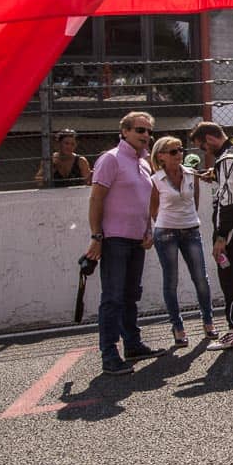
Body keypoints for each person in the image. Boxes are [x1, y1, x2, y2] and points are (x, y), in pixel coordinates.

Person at [84, 111, 166, 376]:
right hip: (115, 239)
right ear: (125, 132)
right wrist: (97, 236)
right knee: (113, 298)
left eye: (148, 131)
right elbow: (96, 199)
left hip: (136, 240)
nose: (146, 136)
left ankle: (132, 344)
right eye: (140, 130)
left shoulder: (143, 163)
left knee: (131, 295)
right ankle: (109, 354)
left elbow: (144, 202)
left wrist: (148, 230)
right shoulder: (111, 159)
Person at [190, 122, 233, 350]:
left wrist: (221, 237)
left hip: (232, 223)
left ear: (209, 139)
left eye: (203, 148)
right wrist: (217, 175)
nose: (205, 152)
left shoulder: (228, 158)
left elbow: (228, 201)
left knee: (229, 275)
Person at [147, 135, 216, 347]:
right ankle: (177, 327)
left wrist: (187, 219)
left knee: (201, 278)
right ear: (161, 157)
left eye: (180, 150)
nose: (179, 154)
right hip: (166, 232)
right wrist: (166, 223)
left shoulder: (190, 174)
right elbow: (153, 210)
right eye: (173, 151)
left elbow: (194, 202)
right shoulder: (155, 180)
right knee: (171, 281)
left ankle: (208, 322)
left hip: (190, 229)